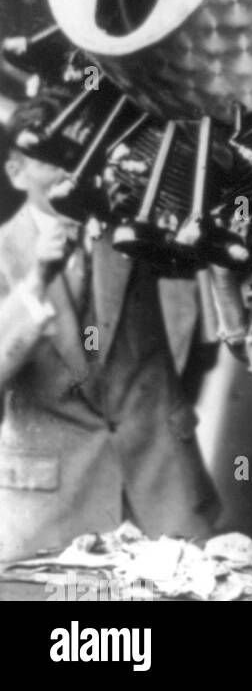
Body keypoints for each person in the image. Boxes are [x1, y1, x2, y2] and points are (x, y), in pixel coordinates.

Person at [0, 95, 219, 563]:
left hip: (165, 491)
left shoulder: (134, 227)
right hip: (51, 508)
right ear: (16, 171)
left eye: (76, 153)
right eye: (51, 158)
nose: (69, 169)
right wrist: (37, 279)